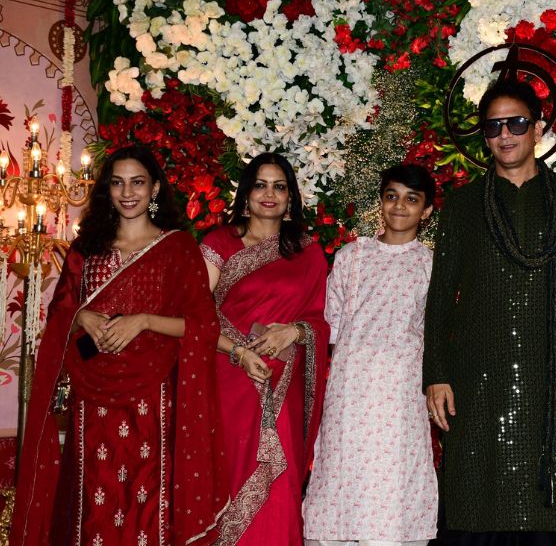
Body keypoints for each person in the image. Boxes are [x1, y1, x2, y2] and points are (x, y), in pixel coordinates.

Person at [11, 146, 228, 546]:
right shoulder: (87, 248)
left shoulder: (178, 248)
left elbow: (203, 325)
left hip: (154, 398)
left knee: (147, 501)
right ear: (106, 190)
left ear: (155, 188)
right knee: (94, 498)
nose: (128, 193)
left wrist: (143, 321)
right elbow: (60, 313)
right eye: (117, 183)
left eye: (138, 182)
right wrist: (81, 317)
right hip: (92, 397)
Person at [423, 78, 556, 545]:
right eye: (493, 127)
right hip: (477, 377)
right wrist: (437, 375)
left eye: (517, 123)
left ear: (538, 128)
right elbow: (441, 296)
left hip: (551, 374)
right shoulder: (464, 204)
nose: (505, 135)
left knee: (547, 516)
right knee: (476, 506)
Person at [303, 164, 439, 546]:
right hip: (351, 388)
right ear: (381, 201)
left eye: (411, 199)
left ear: (426, 210)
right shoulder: (353, 256)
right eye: (392, 196)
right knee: (342, 469)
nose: (399, 206)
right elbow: (331, 324)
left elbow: (435, 332)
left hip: (401, 392)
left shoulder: (431, 265)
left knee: (394, 474)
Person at [201, 152, 329, 545]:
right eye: (260, 185)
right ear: (246, 193)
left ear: (291, 197)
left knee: (280, 480)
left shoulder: (307, 252)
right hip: (228, 376)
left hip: (282, 383)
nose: (269, 194)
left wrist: (295, 331)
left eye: (279, 186)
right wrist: (238, 351)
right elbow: (194, 314)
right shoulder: (219, 243)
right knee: (226, 474)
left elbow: (321, 320)